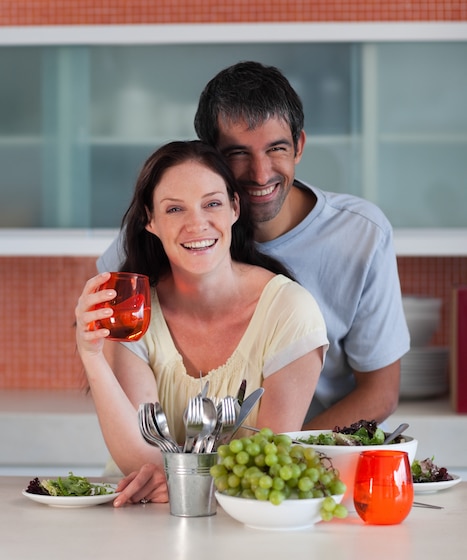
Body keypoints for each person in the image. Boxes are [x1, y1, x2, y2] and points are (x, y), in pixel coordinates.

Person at [98, 61, 410, 432]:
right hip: (183, 458)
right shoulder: (163, 236)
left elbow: (381, 393)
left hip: (307, 454)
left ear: (299, 146)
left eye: (276, 148)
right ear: (209, 155)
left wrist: (276, 455)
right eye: (238, 154)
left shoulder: (361, 234)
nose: (260, 174)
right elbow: (117, 364)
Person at [76, 140, 328, 505]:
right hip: (138, 516)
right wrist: (91, 354)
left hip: (242, 523)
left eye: (211, 203)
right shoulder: (134, 309)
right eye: (175, 209)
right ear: (151, 220)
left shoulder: (290, 311)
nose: (196, 223)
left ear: (234, 208)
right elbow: (137, 455)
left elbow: (269, 463)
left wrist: (180, 481)